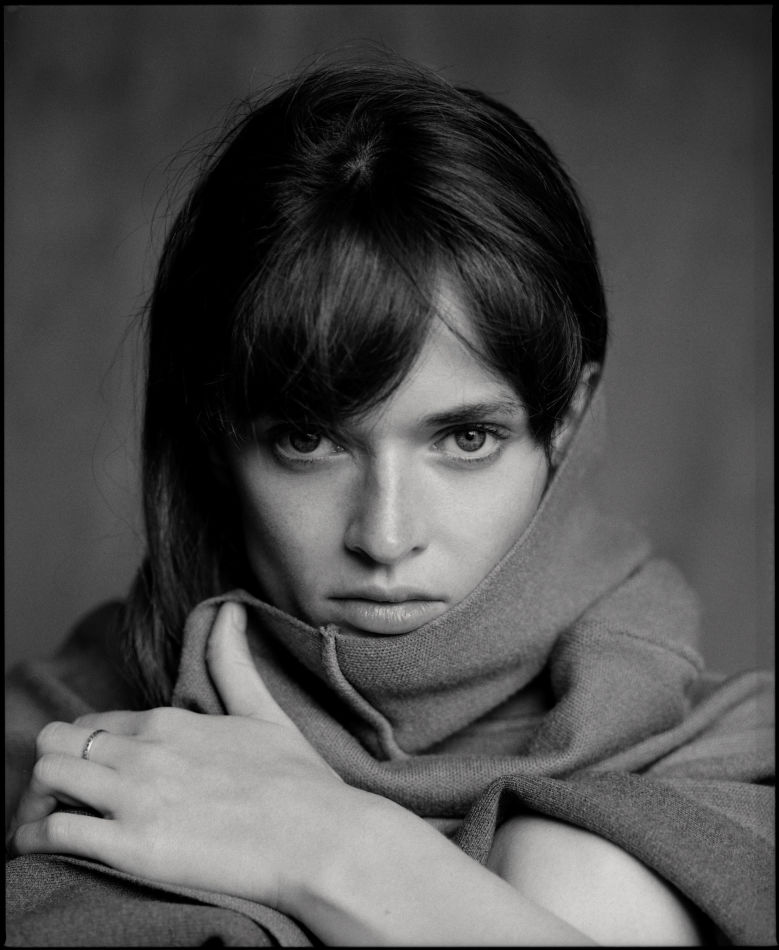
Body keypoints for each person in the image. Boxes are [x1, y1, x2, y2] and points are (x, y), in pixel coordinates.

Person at [5, 56, 774, 946]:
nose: (385, 535)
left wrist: (333, 848)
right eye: (307, 440)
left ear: (562, 423)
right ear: (216, 437)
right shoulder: (64, 739)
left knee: (581, 869)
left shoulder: (729, 757)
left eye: (465, 439)